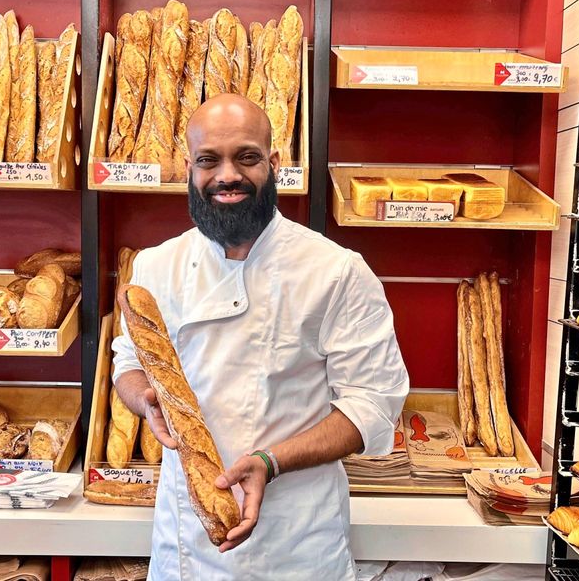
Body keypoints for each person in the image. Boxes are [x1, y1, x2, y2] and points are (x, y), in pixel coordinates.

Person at [112, 93, 409, 580]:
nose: (227, 175)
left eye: (246, 157)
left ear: (273, 164)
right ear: (189, 168)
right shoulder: (155, 266)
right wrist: (145, 401)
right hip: (185, 544)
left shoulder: (336, 271)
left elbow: (373, 405)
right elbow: (127, 361)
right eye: (209, 160)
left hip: (295, 545)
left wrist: (270, 462)